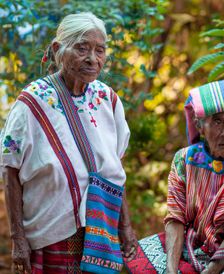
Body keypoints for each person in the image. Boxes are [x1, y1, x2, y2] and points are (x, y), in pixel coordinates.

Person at [1, 12, 137, 274]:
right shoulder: (32, 102)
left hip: (100, 231)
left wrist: (126, 228)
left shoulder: (107, 99)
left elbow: (116, 170)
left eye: (100, 50)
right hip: (50, 232)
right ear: (57, 49)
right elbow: (10, 170)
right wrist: (17, 239)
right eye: (82, 48)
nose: (92, 59)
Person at [125, 78, 224, 273]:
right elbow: (175, 217)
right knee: (140, 260)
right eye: (217, 122)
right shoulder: (185, 159)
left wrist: (210, 271)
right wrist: (170, 270)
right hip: (192, 245)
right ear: (200, 126)